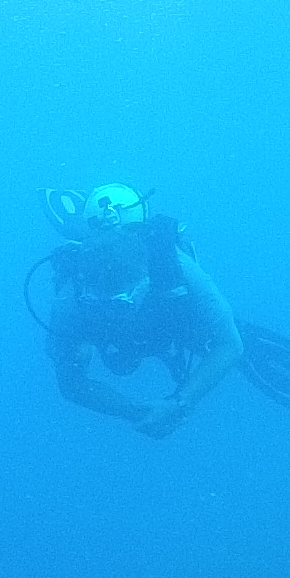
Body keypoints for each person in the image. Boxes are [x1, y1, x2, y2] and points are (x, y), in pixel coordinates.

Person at [43, 184, 245, 438]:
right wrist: (136, 411)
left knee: (208, 335)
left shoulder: (176, 267)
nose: (114, 312)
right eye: (101, 301)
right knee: (90, 354)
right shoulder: (71, 299)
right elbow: (72, 384)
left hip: (169, 320)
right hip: (119, 335)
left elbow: (230, 344)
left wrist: (179, 402)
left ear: (147, 280)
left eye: (122, 301)